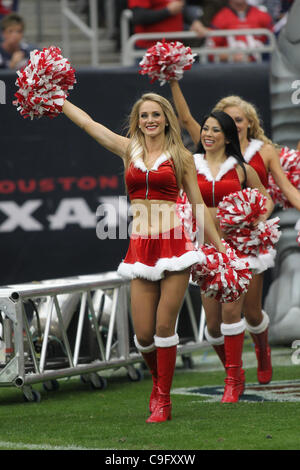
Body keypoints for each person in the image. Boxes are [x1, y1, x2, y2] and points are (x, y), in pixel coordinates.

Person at [62, 92, 226, 422]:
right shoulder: (129, 150)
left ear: (166, 119)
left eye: (155, 114)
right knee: (143, 335)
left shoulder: (181, 156)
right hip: (141, 247)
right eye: (143, 115)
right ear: (138, 121)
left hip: (175, 246)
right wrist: (57, 98)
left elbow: (197, 205)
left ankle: (163, 400)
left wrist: (221, 248)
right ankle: (157, 382)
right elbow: (88, 124)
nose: (150, 120)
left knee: (166, 326)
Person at [169, 79, 300, 384]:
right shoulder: (199, 157)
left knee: (250, 313)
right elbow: (187, 120)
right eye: (225, 121)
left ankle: (259, 353)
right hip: (208, 245)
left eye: (238, 120)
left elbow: (280, 192)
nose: (232, 126)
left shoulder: (259, 154)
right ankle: (234, 370)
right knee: (213, 325)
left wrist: (252, 219)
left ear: (248, 123)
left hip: (245, 244)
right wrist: (173, 79)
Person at [185, 110, 274, 402]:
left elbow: (266, 199)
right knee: (212, 327)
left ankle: (235, 379)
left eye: (215, 130)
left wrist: (258, 221)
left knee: (234, 314)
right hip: (204, 251)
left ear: (227, 137)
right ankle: (234, 370)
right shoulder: (190, 164)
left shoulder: (241, 168)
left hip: (235, 249)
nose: (207, 135)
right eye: (205, 130)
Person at [128, 0, 208, 51]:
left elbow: (181, 8)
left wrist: (194, 22)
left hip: (175, 49)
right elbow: (138, 17)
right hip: (150, 50)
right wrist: (167, 11)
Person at [208, 0, 274, 62]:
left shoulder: (262, 15)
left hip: (260, 66)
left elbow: (274, 43)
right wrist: (232, 57)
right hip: (231, 68)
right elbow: (210, 51)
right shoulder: (220, 18)